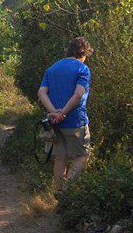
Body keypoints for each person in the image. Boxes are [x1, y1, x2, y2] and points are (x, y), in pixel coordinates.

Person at [37, 37, 93, 192]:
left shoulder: (53, 68)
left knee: (60, 158)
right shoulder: (83, 69)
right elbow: (78, 95)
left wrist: (54, 112)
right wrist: (64, 112)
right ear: (83, 53)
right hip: (75, 121)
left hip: (54, 123)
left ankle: (58, 193)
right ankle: (67, 190)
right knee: (82, 156)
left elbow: (41, 92)